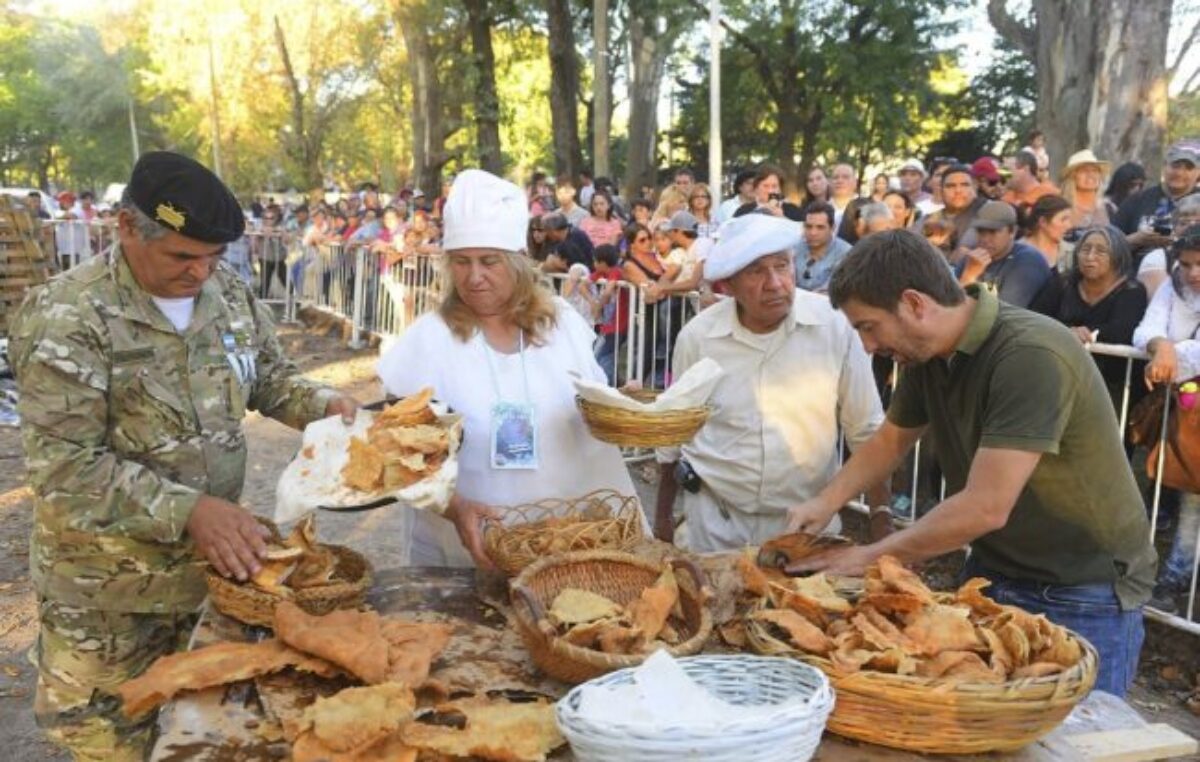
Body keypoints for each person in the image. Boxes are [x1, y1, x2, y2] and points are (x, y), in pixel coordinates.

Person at [8, 151, 359, 760]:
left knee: (198, 741)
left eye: (212, 257)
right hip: (108, 601)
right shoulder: (67, 315)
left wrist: (326, 404)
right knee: (113, 743)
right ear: (126, 228)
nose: (200, 273)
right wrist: (191, 509)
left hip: (205, 585)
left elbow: (269, 378)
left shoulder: (227, 294)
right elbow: (65, 465)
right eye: (181, 257)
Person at [788, 229, 1156, 698]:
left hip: (1083, 591)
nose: (866, 345)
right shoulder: (928, 354)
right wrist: (824, 502)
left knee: (1075, 744)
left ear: (915, 304)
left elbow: (986, 506)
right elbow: (889, 442)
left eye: (868, 326)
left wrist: (867, 557)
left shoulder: (1029, 354)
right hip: (993, 572)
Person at [375, 169, 641, 566]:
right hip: (464, 550)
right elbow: (394, 456)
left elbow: (591, 408)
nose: (475, 277)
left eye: (489, 261)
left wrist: (620, 409)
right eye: (462, 262)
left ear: (518, 262)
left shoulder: (562, 325)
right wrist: (455, 507)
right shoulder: (428, 340)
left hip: (564, 544)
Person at [654, 214, 889, 551]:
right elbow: (673, 431)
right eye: (755, 272)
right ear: (728, 286)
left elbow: (867, 431)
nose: (775, 283)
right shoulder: (698, 337)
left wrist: (882, 524)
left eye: (782, 266)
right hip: (715, 523)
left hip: (806, 525)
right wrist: (662, 518)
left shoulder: (834, 327)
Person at [1133, 226, 1200, 613]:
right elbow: (1145, 329)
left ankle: (1175, 580)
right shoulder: (1171, 287)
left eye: (1199, 265)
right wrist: (1162, 347)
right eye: (1185, 263)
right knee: (1159, 482)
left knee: (1194, 498)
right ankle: (1147, 573)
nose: (1192, 273)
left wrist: (1171, 354)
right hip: (1174, 408)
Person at [1031, 225, 1148, 412]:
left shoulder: (1132, 290)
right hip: (1056, 376)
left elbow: (1122, 331)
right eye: (1085, 249)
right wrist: (1068, 332)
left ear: (1117, 257)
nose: (1090, 256)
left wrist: (1088, 333)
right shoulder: (1063, 283)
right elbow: (1034, 318)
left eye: (1101, 251)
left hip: (1109, 385)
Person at [959, 200, 1051, 308]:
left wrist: (970, 277)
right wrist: (968, 275)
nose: (985, 239)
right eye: (981, 231)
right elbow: (948, 305)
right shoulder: (972, 260)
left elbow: (1004, 314)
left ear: (1013, 231)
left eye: (993, 232)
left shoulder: (1028, 261)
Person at [1115, 142, 1200, 255]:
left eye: (1188, 168)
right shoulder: (1137, 200)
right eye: (1175, 166)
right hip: (1137, 269)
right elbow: (1109, 245)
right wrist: (1136, 239)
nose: (1179, 173)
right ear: (1164, 166)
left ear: (1198, 172)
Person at [1138, 194, 1200, 298]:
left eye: (1198, 222)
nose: (1190, 227)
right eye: (1183, 223)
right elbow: (1160, 303)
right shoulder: (1157, 259)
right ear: (1174, 228)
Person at [590, 244, 628, 384]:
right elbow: (584, 284)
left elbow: (607, 292)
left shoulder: (615, 272)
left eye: (595, 261)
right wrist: (592, 302)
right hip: (610, 324)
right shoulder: (602, 273)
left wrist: (598, 307)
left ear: (602, 262)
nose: (593, 264)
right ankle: (613, 383)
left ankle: (607, 385)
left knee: (602, 356)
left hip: (618, 324)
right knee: (606, 356)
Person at [794, 202, 852, 293]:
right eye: (808, 227)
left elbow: (831, 290)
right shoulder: (794, 247)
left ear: (832, 228)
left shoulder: (846, 253)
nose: (813, 233)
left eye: (820, 227)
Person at [734, 164, 804, 221]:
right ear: (756, 188)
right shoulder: (744, 211)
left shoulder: (792, 210)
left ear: (780, 189)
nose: (770, 191)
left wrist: (782, 218)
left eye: (774, 186)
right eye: (765, 186)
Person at [1060, 149, 1111, 228]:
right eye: (1084, 171)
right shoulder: (1060, 207)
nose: (1090, 175)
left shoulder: (1109, 207)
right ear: (1073, 176)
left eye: (1094, 171)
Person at [1021, 194, 1073, 268]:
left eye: (1069, 220)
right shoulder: (1017, 252)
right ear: (1043, 222)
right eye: (1063, 219)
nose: (1069, 226)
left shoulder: (1071, 252)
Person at [829, 163, 860, 229]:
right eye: (835, 177)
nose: (839, 181)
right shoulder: (822, 207)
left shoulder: (865, 207)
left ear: (855, 182)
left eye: (845, 177)